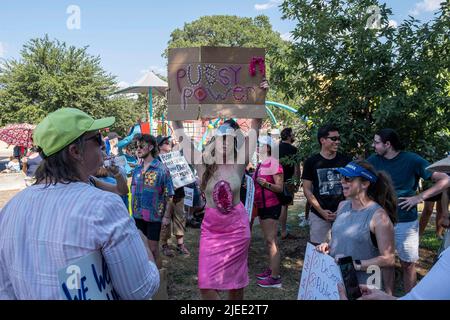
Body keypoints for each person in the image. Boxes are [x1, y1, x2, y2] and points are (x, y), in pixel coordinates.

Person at [0, 108, 159, 299]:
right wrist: (145, 248)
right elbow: (140, 290)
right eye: (98, 139)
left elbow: (5, 289)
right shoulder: (103, 206)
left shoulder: (10, 210)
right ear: (75, 151)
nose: (103, 146)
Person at [367, 129, 450, 293]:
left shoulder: (412, 160)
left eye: (376, 142)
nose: (373, 145)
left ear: (388, 144)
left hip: (405, 222)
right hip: (379, 221)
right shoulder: (373, 161)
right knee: (384, 261)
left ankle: (409, 296)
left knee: (408, 263)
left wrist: (419, 197)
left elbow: (445, 179)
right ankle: (387, 295)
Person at [316, 161, 397, 294]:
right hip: (339, 281)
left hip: (366, 287)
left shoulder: (379, 216)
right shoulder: (342, 206)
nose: (342, 181)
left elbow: (389, 259)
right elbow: (341, 239)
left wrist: (354, 264)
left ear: (365, 184)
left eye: (348, 179)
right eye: (342, 178)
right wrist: (328, 246)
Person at [302, 124, 352, 245]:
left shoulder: (346, 161)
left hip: (343, 214)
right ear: (322, 140)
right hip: (318, 214)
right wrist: (321, 211)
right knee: (319, 251)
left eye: (338, 138)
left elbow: (352, 187)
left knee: (343, 250)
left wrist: (342, 210)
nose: (338, 142)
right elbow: (307, 189)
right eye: (334, 138)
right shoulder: (311, 162)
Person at [131, 134, 174, 269]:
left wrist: (166, 217)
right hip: (138, 215)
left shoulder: (161, 169)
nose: (138, 149)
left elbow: (170, 195)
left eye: (141, 146)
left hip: (154, 216)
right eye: (136, 146)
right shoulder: (136, 170)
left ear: (150, 147)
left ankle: (160, 282)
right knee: (142, 251)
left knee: (153, 250)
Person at [253, 135, 284, 288]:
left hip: (271, 205)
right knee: (268, 240)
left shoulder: (274, 163)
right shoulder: (261, 163)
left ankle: (275, 277)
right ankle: (272, 269)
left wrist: (266, 184)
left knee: (271, 240)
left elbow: (280, 187)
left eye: (261, 145)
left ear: (269, 148)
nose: (258, 147)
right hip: (262, 205)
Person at [157, 135, 190, 257]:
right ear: (159, 146)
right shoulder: (157, 161)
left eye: (169, 141)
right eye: (165, 142)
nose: (168, 143)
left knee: (180, 218)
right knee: (165, 221)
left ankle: (180, 245)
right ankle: (164, 245)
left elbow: (185, 172)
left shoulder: (177, 157)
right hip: (164, 195)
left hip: (179, 192)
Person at [278, 128, 301, 240]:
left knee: (276, 205)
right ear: (288, 136)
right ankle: (283, 231)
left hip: (274, 180)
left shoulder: (275, 148)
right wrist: (297, 181)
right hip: (287, 181)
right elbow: (297, 168)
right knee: (284, 206)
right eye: (293, 135)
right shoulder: (294, 149)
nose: (294, 136)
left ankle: (277, 229)